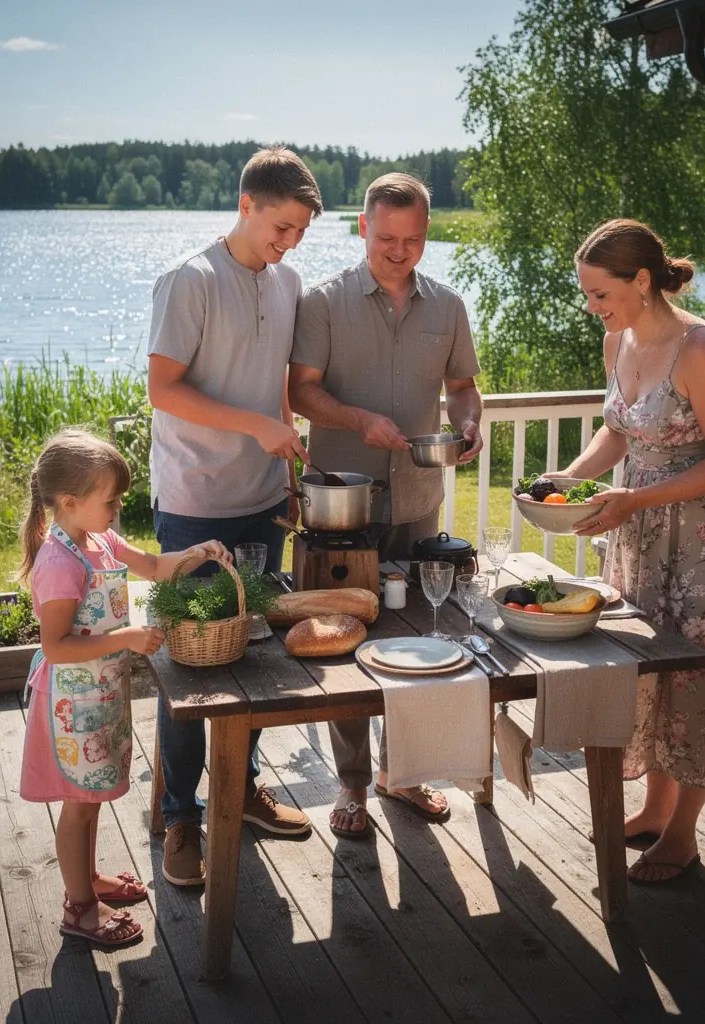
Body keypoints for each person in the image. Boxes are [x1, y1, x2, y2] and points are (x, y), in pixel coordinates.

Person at [562, 218, 705, 883]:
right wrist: (570, 480)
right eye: (588, 294)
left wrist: (633, 499)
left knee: (701, 680)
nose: (593, 307)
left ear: (641, 279)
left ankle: (682, 834)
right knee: (651, 677)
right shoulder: (617, 340)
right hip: (642, 536)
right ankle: (655, 811)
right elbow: (618, 432)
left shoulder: (701, 349)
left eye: (600, 293)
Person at [289, 172, 483, 839]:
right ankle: (350, 784)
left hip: (418, 501)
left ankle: (402, 772)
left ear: (427, 234)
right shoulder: (323, 302)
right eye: (387, 238)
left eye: (414, 240)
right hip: (340, 508)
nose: (400, 252)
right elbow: (300, 392)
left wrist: (469, 421)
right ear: (363, 227)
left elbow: (462, 387)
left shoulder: (448, 307)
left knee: (420, 639)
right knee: (341, 644)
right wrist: (358, 420)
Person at [147, 147, 322, 886]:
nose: (290, 243)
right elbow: (163, 390)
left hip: (262, 500)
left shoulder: (288, 283)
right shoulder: (189, 279)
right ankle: (179, 818)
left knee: (252, 657)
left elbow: (275, 387)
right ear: (246, 205)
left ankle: (241, 789)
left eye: (301, 232)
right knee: (193, 664)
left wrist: (286, 472)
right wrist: (255, 427)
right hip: (195, 504)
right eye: (281, 227)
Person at [18, 428, 232, 946]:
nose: (117, 510)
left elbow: (155, 567)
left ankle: (87, 879)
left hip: (100, 697)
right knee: (78, 806)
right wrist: (128, 638)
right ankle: (79, 909)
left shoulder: (100, 540)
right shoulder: (60, 563)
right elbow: (56, 647)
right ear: (70, 502)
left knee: (90, 797)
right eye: (110, 501)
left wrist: (197, 553)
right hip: (72, 705)